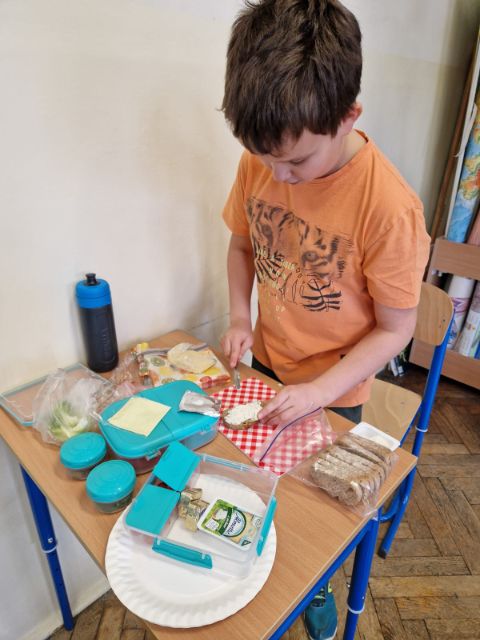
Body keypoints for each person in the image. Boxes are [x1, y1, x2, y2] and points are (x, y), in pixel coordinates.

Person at [219, 1, 430, 638]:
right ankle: (258, 564)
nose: (278, 177)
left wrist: (317, 392)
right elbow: (241, 245)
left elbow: (396, 328)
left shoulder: (388, 208)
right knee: (256, 479)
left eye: (297, 163)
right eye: (265, 159)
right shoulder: (263, 158)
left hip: (336, 389)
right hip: (269, 361)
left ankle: (317, 583)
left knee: (319, 510)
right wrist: (239, 316)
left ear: (347, 118)